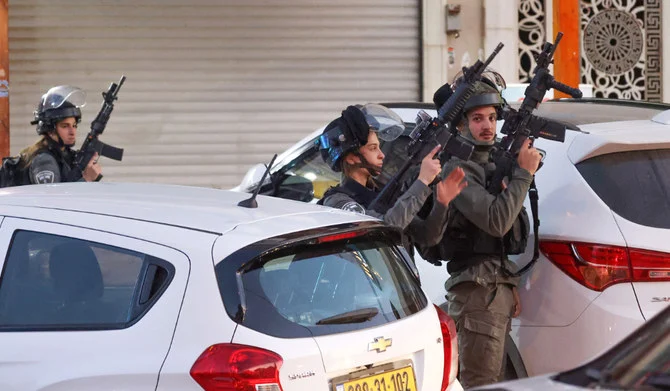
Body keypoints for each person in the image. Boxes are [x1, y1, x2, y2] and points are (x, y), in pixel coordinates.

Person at [430, 73, 542, 388]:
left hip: (492, 288)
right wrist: (524, 174)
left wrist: (508, 283)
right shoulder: (458, 169)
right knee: (482, 383)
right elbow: (495, 220)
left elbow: (497, 238)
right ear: (462, 125)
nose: (487, 126)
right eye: (477, 118)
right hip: (477, 293)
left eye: (492, 118)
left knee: (495, 380)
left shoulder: (489, 163)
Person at [318, 103, 467, 253]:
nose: (381, 155)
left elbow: (427, 236)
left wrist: (442, 203)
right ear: (351, 158)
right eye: (372, 148)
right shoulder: (338, 202)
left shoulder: (381, 193)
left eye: (378, 147)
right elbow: (385, 231)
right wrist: (422, 182)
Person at [20, 85, 102, 184]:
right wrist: (86, 179)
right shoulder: (44, 161)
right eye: (65, 126)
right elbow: (51, 198)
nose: (72, 132)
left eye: (74, 125)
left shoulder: (64, 155)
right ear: (50, 129)